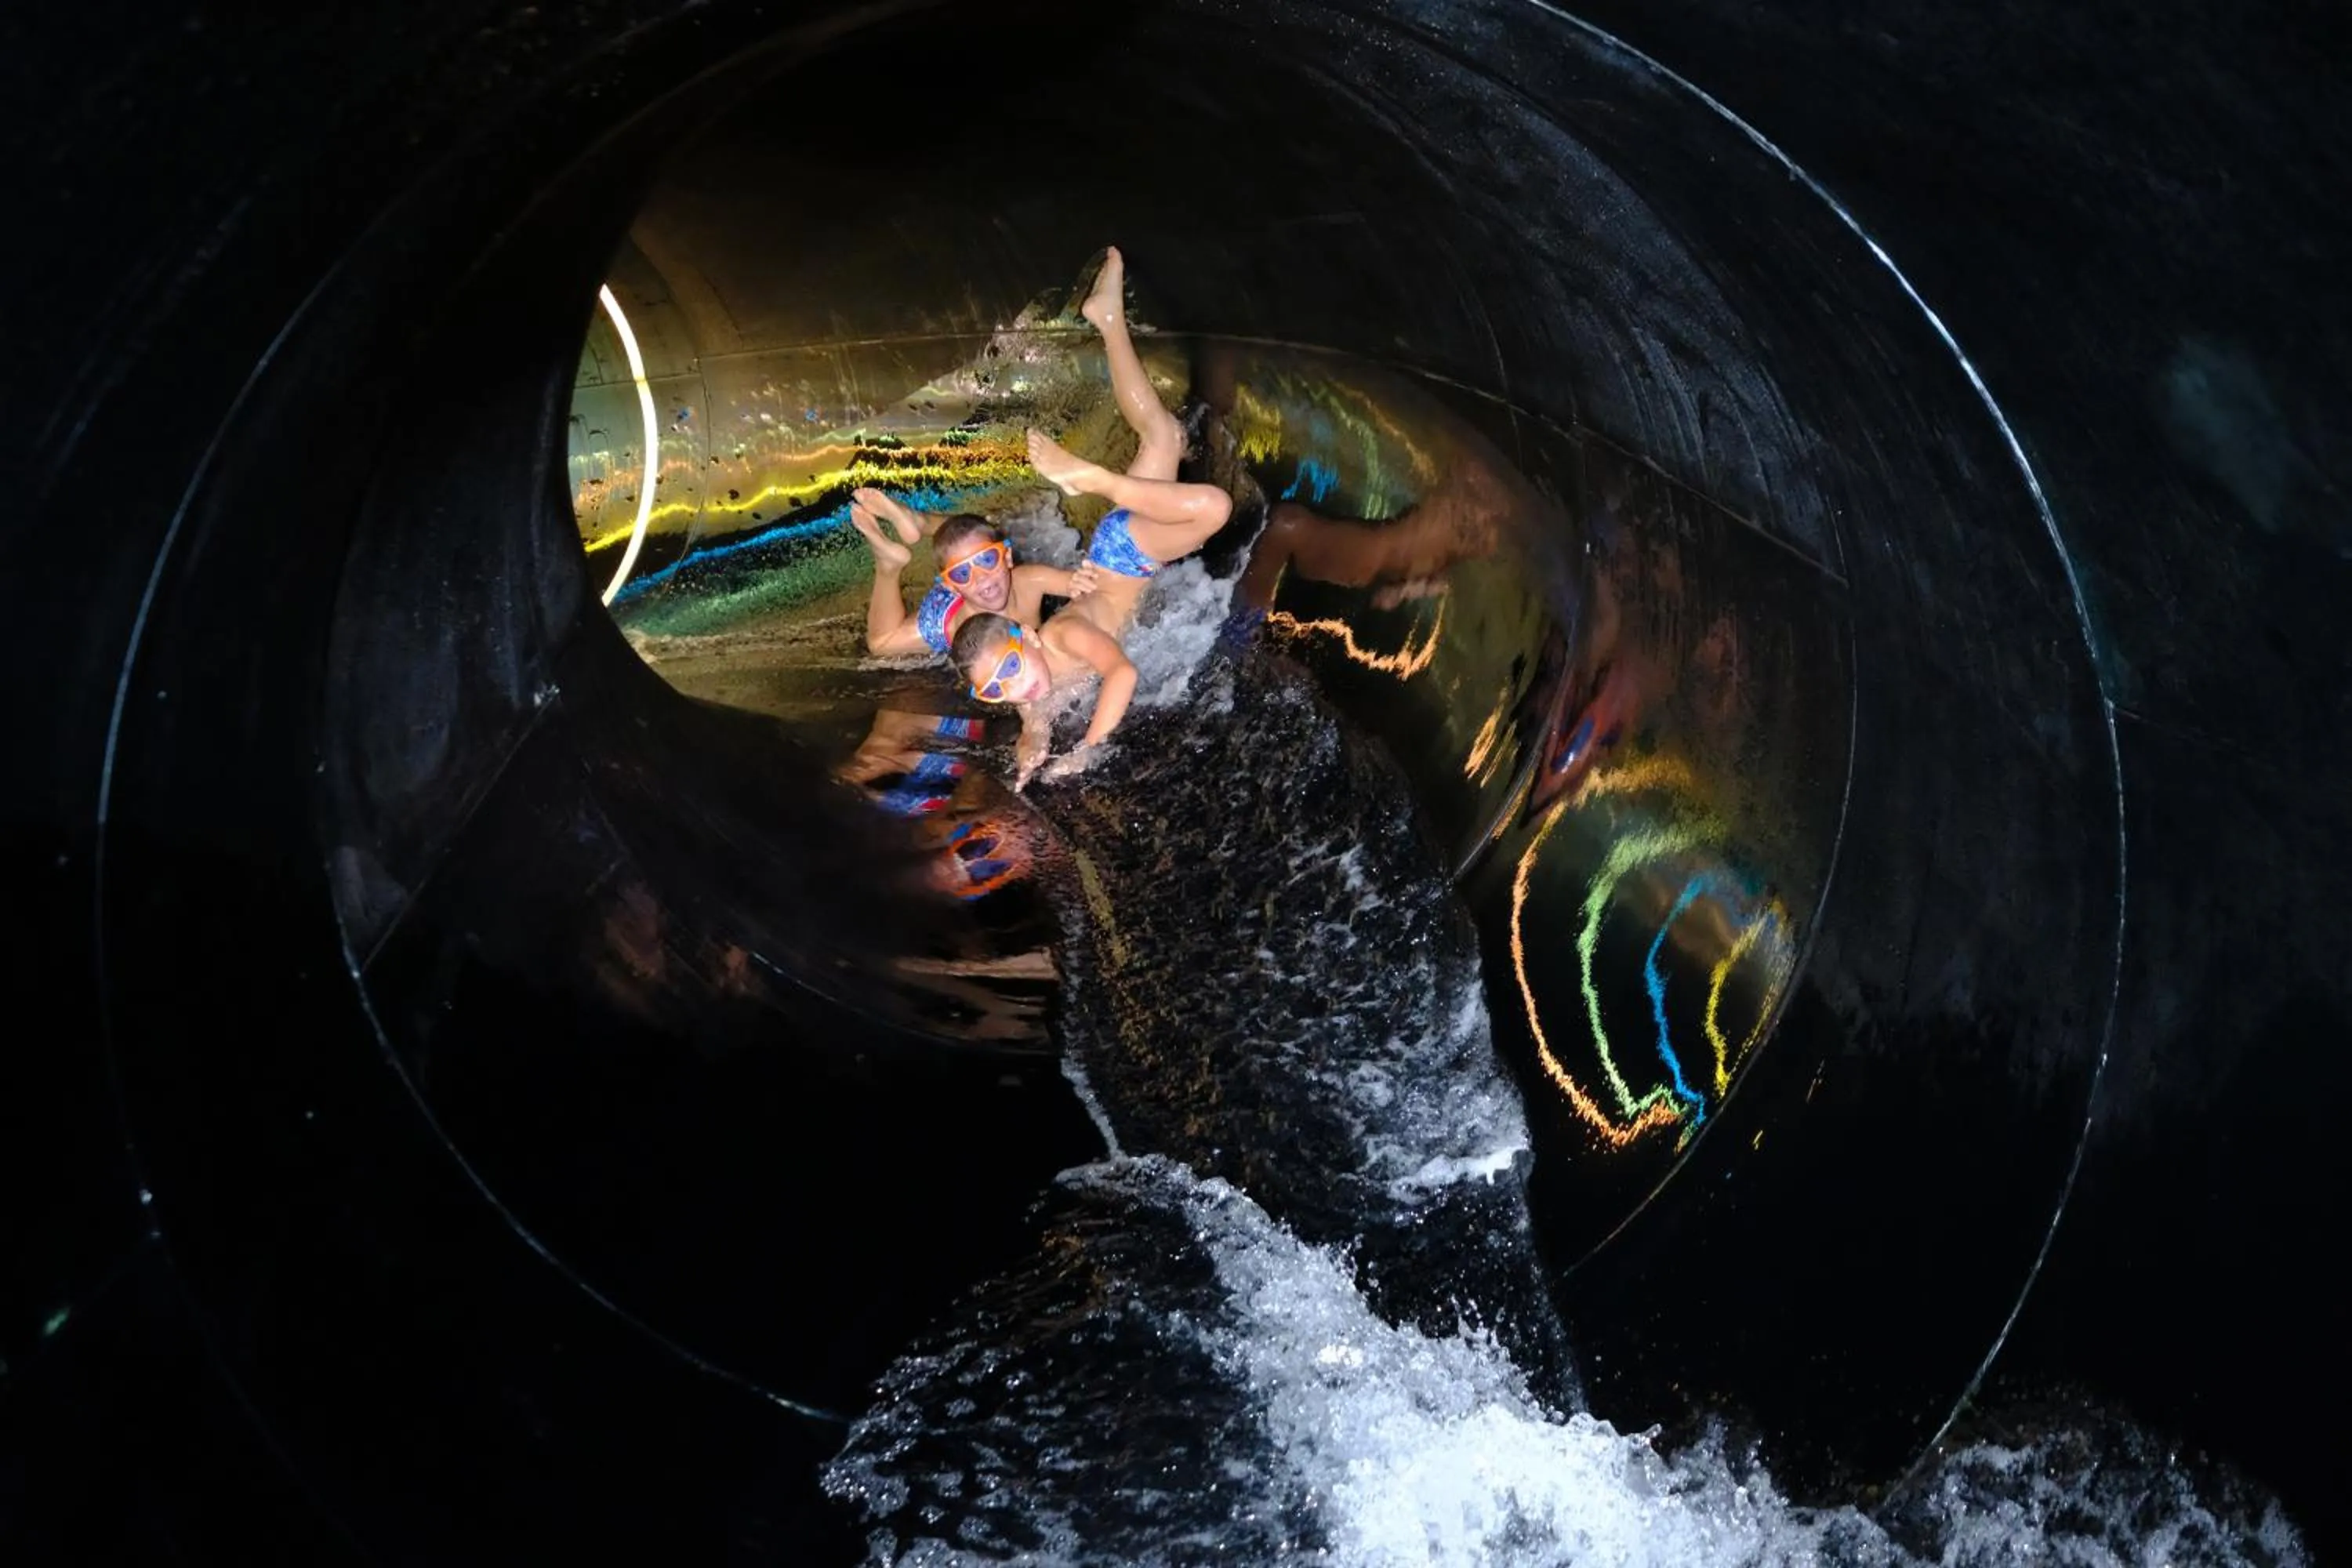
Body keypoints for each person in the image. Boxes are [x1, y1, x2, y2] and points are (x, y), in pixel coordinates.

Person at [948, 246, 1237, 786]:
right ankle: (1107, 319)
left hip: (1129, 555)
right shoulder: (1030, 687)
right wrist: (1031, 753)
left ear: (1027, 637)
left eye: (1009, 669)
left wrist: (1088, 748)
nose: (1014, 687)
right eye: (995, 688)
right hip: (1114, 551)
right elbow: (1034, 723)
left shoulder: (1064, 637)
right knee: (1163, 435)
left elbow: (1121, 673)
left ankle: (1095, 479)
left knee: (1214, 509)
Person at [850, 488, 1080, 659]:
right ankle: (888, 565)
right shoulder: (970, 634)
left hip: (962, 578)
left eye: (987, 560)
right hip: (949, 612)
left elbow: (1085, 584)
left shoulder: (1031, 579)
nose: (981, 577)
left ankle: (919, 521)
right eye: (964, 573)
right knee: (881, 644)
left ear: (1008, 557)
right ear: (950, 586)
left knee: (973, 536)